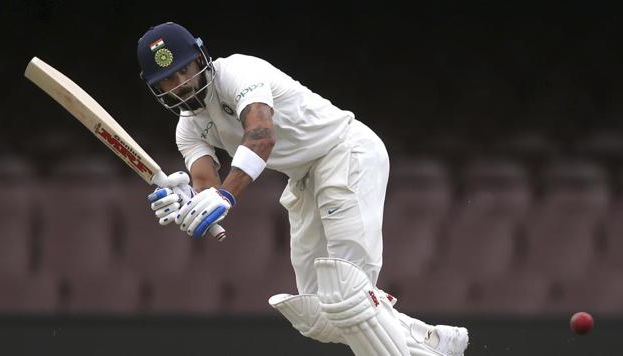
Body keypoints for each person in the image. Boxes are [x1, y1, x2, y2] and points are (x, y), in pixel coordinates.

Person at [138, 21, 469, 356]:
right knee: (320, 315)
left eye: (184, 70)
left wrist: (225, 196)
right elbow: (207, 187)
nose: (181, 83)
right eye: (168, 79)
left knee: (348, 293)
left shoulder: (238, 70)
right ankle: (432, 343)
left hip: (344, 153)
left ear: (200, 57)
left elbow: (262, 135)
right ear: (155, 87)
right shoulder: (187, 130)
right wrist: (187, 202)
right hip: (305, 179)